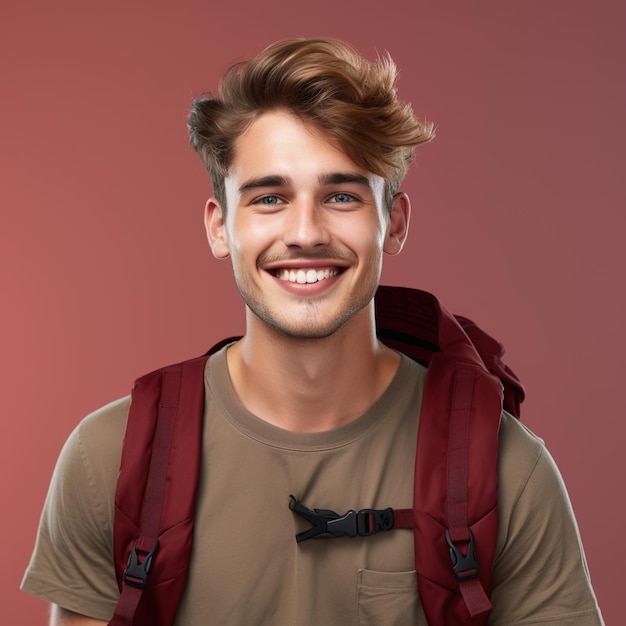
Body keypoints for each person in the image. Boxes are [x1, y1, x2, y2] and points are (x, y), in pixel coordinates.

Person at [22, 37, 603, 625]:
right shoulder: (112, 457)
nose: (305, 232)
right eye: (269, 197)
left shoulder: (507, 470)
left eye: (343, 195)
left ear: (393, 223)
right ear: (220, 226)